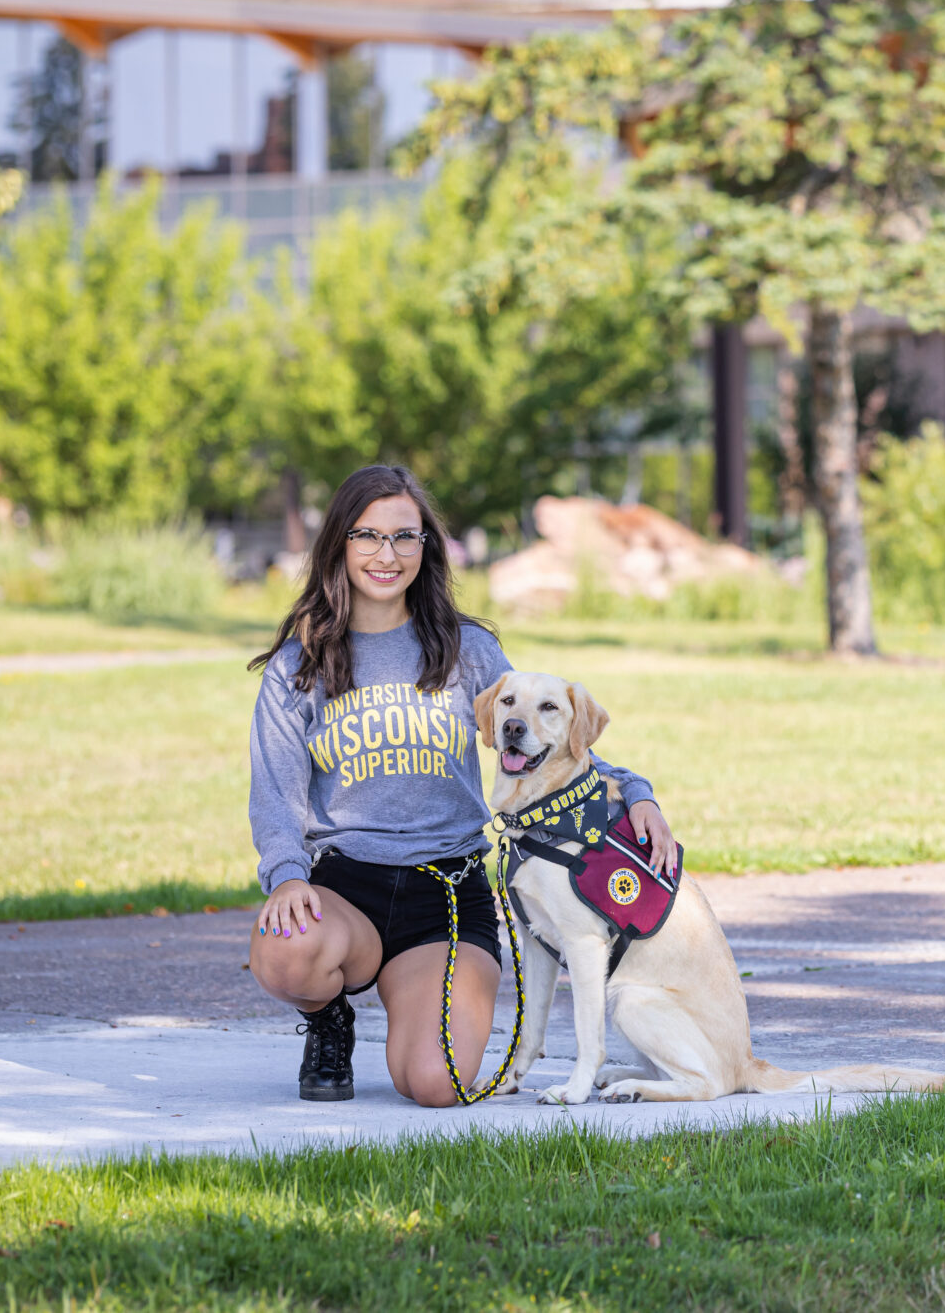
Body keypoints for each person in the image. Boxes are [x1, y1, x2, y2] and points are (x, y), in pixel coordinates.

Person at [244, 465, 677, 1106]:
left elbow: (549, 739)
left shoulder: (465, 649)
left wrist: (635, 791)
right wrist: (285, 875)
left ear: (427, 547)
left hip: (446, 893)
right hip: (346, 888)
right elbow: (275, 791)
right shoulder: (300, 665)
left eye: (406, 537)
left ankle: (413, 1003)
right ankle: (329, 1016)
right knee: (287, 950)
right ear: (338, 542)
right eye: (367, 535)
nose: (386, 555)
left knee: (436, 1083)